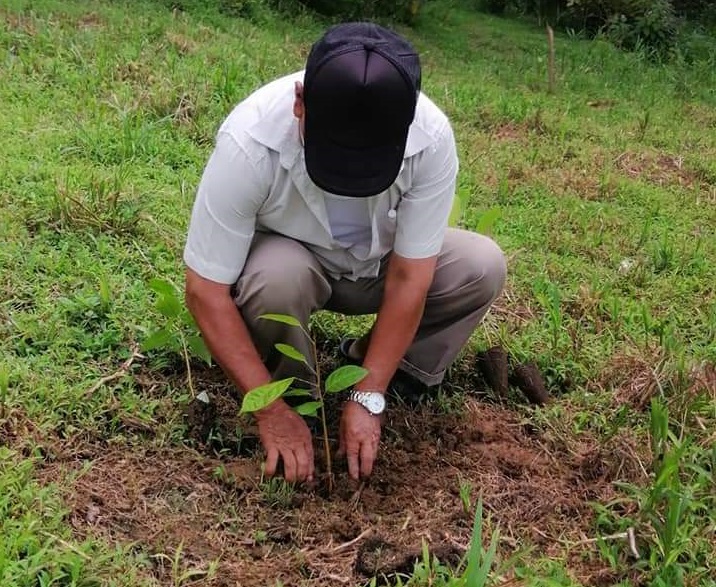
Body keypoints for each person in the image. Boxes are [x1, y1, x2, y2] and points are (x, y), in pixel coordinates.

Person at [183, 22, 507, 484]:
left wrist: (368, 393)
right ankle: (293, 393)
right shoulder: (250, 143)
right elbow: (204, 289)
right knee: (275, 278)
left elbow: (410, 278)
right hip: (293, 265)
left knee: (481, 266)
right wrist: (268, 409)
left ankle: (388, 370)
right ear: (300, 103)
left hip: (381, 265)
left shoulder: (430, 137)